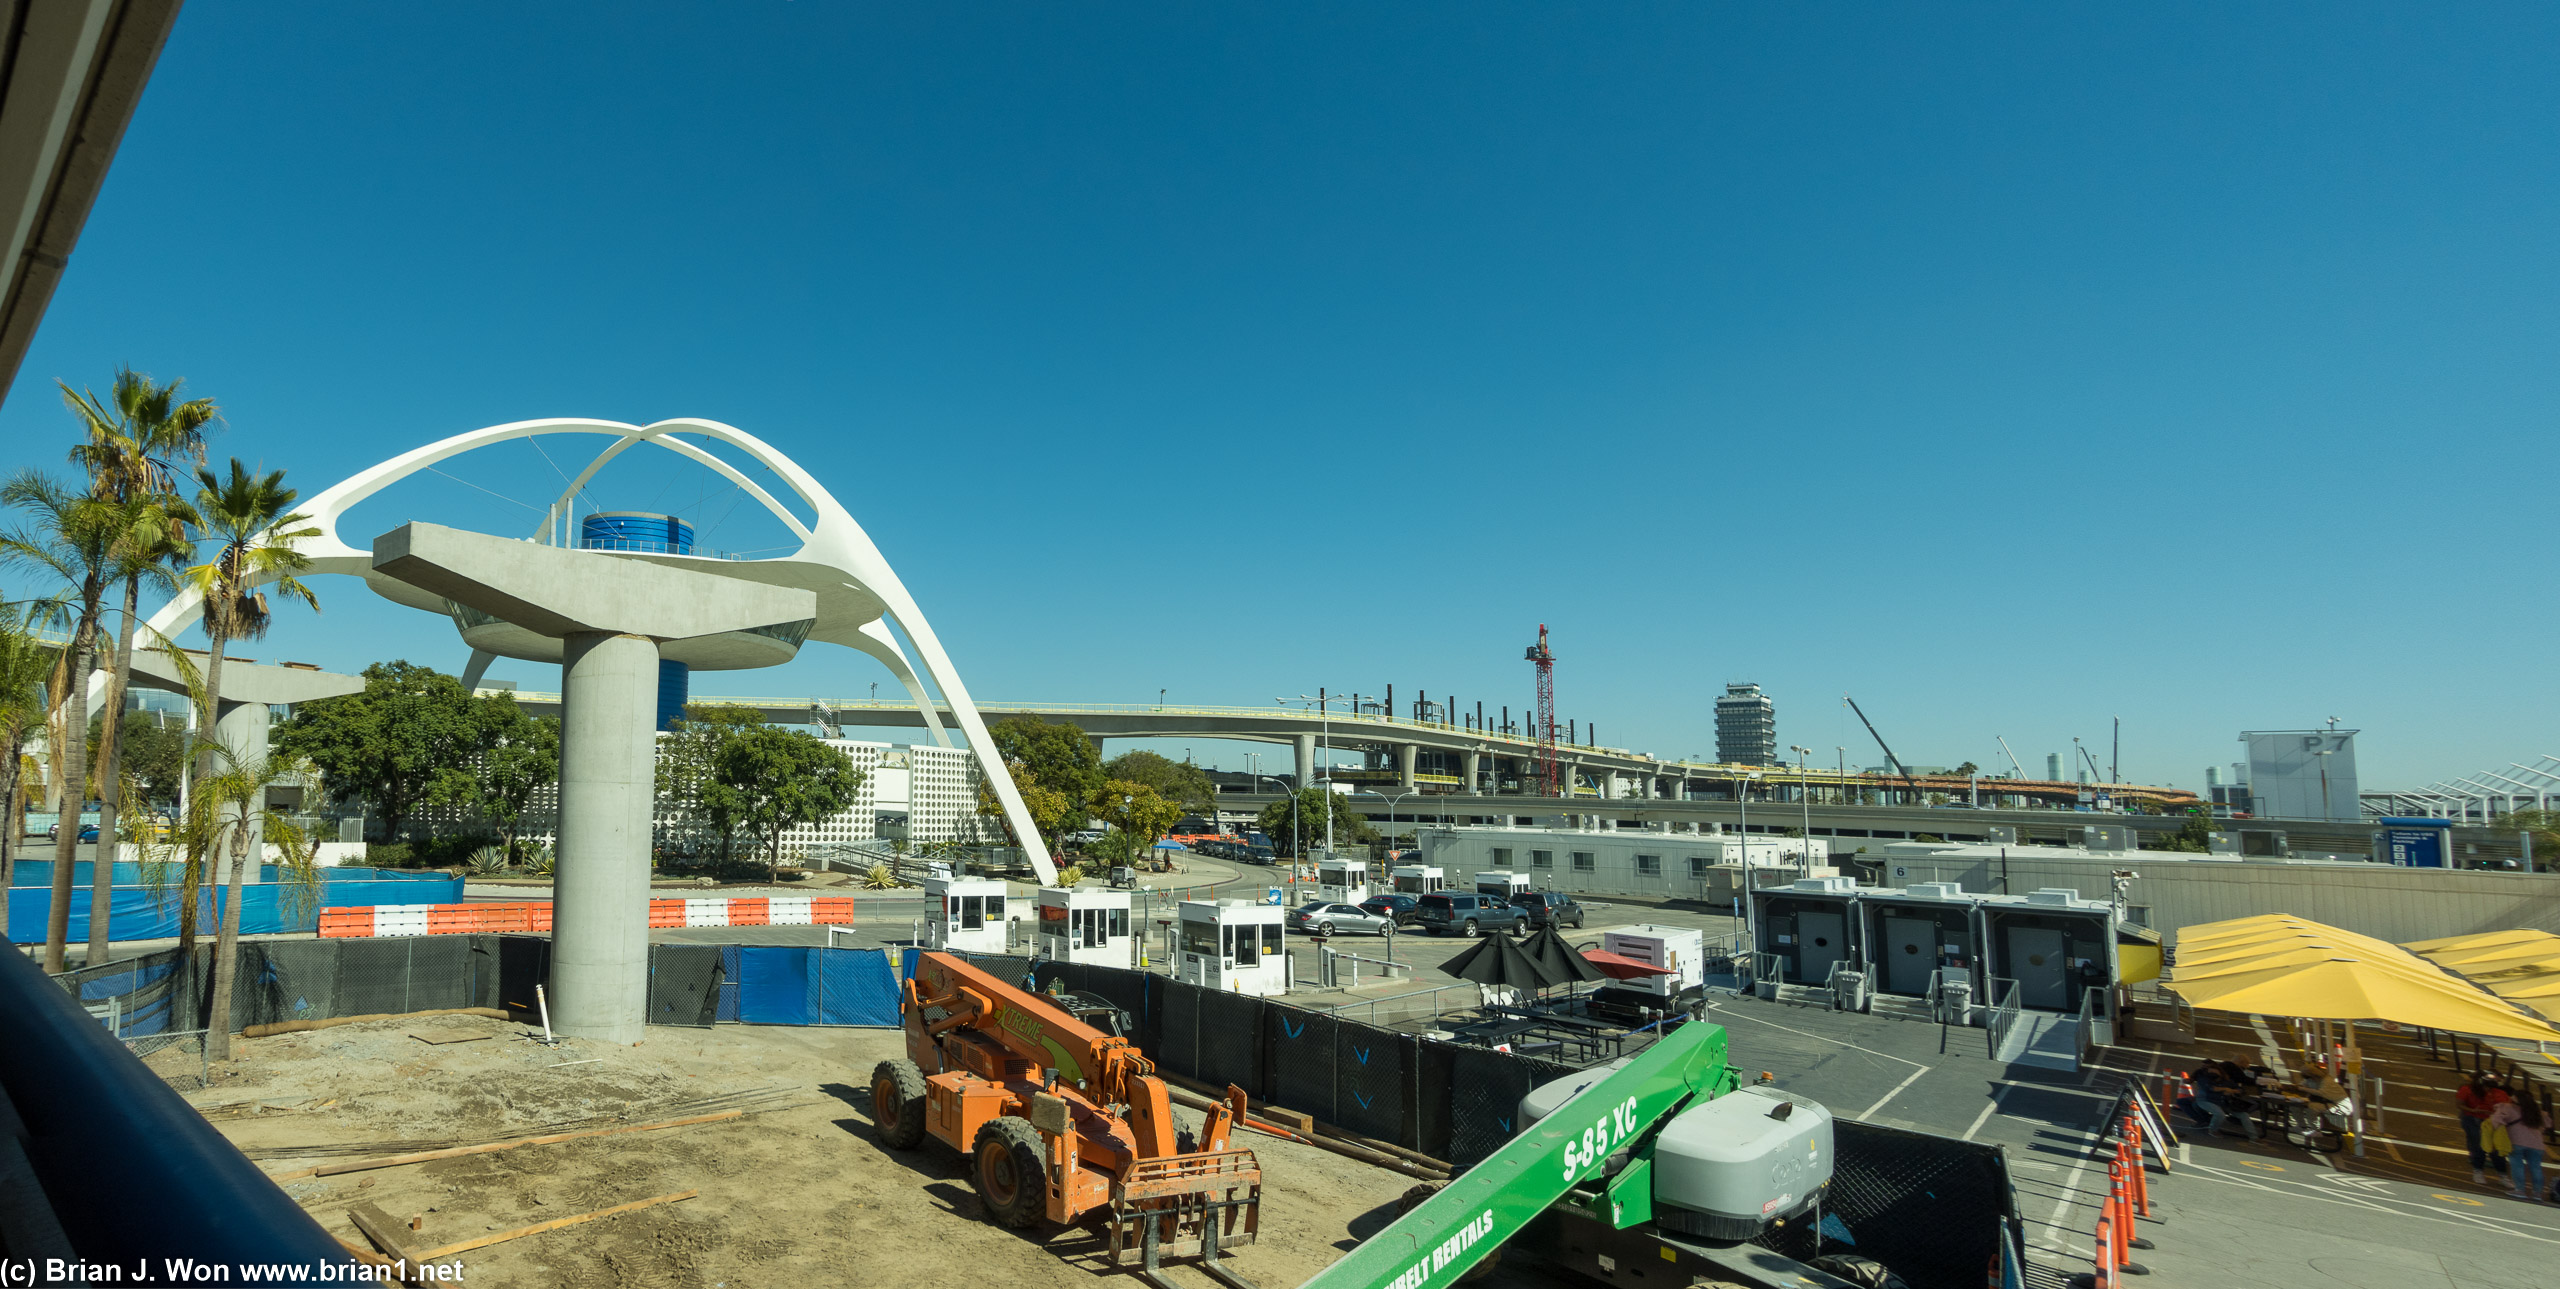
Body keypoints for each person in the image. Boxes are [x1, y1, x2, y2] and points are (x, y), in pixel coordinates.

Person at [2458, 1071, 2513, 1183]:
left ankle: (2502, 1175)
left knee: (2497, 1149)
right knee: (2479, 1147)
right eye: (2486, 1086)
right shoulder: (2466, 1089)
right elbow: (2459, 1104)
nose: (2488, 1090)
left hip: (2492, 1122)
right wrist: (2473, 1110)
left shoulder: (2500, 1093)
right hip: (2473, 1120)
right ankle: (2478, 1171)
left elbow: (2507, 1107)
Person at [2491, 1093, 2546, 1200]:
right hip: (2537, 1144)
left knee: (2517, 1166)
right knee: (2536, 1168)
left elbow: (2496, 1120)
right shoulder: (2538, 1112)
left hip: (2517, 1142)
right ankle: (2537, 1193)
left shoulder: (2508, 1107)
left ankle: (2520, 1190)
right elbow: (2546, 1125)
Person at [2191, 1061, 2260, 1140]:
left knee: (2244, 1115)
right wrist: (2227, 1090)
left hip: (2222, 1102)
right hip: (2207, 1100)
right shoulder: (2205, 1079)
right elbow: (2212, 1088)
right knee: (2219, 1114)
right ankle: (2213, 1130)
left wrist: (2234, 1091)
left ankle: (2254, 1137)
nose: (2212, 1074)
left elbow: (2240, 1089)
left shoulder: (2226, 1080)